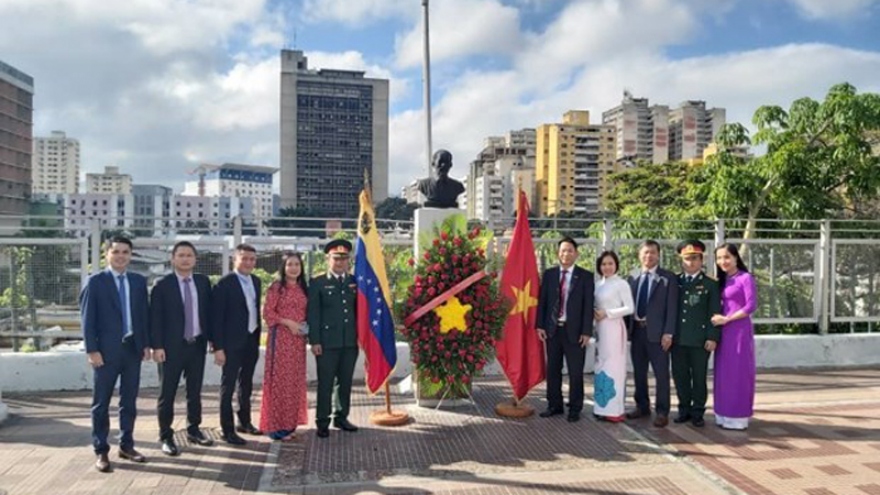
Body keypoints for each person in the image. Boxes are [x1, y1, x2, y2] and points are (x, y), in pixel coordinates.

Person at [79, 236, 151, 472]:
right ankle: (101, 450)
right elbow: (87, 320)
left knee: (128, 402)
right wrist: (92, 350)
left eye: (125, 252)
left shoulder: (138, 281)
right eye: (116, 251)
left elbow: (143, 317)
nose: (121, 256)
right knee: (101, 403)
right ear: (107, 254)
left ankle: (127, 445)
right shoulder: (95, 282)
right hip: (105, 353)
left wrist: (145, 344)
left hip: (132, 350)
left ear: (131, 255)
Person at [150, 241, 214, 456]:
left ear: (195, 259)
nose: (185, 259)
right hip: (170, 348)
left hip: (196, 345)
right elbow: (155, 318)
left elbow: (207, 314)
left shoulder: (203, 282)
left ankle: (194, 429)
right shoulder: (162, 285)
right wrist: (157, 346)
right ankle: (166, 436)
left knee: (194, 391)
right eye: (181, 255)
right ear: (173, 259)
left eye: (189, 255)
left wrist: (213, 341)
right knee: (167, 393)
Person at [536, 237, 595, 423]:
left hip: (575, 332)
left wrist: (587, 331)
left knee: (576, 372)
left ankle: (575, 408)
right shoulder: (550, 274)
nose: (566, 254)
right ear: (557, 253)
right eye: (562, 250)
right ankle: (554, 405)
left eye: (570, 250)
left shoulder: (585, 276)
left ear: (576, 253)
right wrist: (540, 325)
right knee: (553, 369)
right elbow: (543, 302)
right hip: (553, 330)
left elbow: (588, 306)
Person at [308, 239, 360, 438]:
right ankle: (322, 421)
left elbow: (359, 312)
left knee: (345, 381)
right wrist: (315, 341)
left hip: (349, 341)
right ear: (328, 259)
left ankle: (341, 416)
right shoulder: (318, 282)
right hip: (327, 343)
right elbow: (314, 314)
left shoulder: (354, 282)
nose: (340, 263)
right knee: (326, 383)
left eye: (344, 259)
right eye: (336, 259)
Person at [212, 244, 263, 445]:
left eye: (252, 259)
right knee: (228, 385)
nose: (249, 262)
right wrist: (218, 348)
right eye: (245, 258)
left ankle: (245, 421)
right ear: (235, 259)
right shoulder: (224, 284)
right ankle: (227, 429)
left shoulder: (257, 281)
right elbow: (216, 319)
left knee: (247, 383)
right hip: (230, 344)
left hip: (251, 340)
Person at [626, 240, 678, 428]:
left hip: (658, 334)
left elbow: (672, 308)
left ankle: (662, 411)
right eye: (646, 252)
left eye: (653, 253)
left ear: (658, 255)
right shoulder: (631, 277)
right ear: (640, 255)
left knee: (661, 374)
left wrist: (669, 333)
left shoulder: (668, 278)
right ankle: (642, 406)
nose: (649, 256)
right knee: (639, 373)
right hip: (637, 331)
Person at [260, 251, 310, 441]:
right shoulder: (276, 288)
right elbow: (268, 314)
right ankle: (276, 427)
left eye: (297, 264)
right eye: (290, 264)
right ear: (283, 267)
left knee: (294, 382)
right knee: (279, 381)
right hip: (280, 340)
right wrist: (288, 322)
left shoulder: (304, 288)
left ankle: (289, 425)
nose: (293, 268)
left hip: (297, 343)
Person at [671, 240, 720, 428]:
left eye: (694, 259)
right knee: (680, 376)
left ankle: (698, 411)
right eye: (686, 259)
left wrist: (712, 336)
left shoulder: (710, 284)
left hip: (700, 340)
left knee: (699, 377)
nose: (690, 263)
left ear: (701, 260)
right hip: (678, 339)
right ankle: (684, 409)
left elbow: (714, 312)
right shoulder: (675, 281)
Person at [711, 243, 758, 430]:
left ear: (736, 257)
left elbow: (750, 306)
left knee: (738, 373)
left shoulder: (745, 278)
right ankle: (722, 413)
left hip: (738, 330)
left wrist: (728, 318)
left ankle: (738, 416)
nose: (723, 261)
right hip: (724, 332)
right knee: (723, 373)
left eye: (727, 257)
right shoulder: (721, 280)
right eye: (719, 258)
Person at [592, 251, 634, 422]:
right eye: (603, 264)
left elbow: (629, 308)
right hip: (600, 328)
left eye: (610, 263)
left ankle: (614, 411)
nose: (607, 267)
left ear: (616, 265)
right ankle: (601, 408)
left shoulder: (621, 284)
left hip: (614, 328)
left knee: (614, 367)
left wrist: (607, 313)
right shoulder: (597, 284)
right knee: (600, 366)